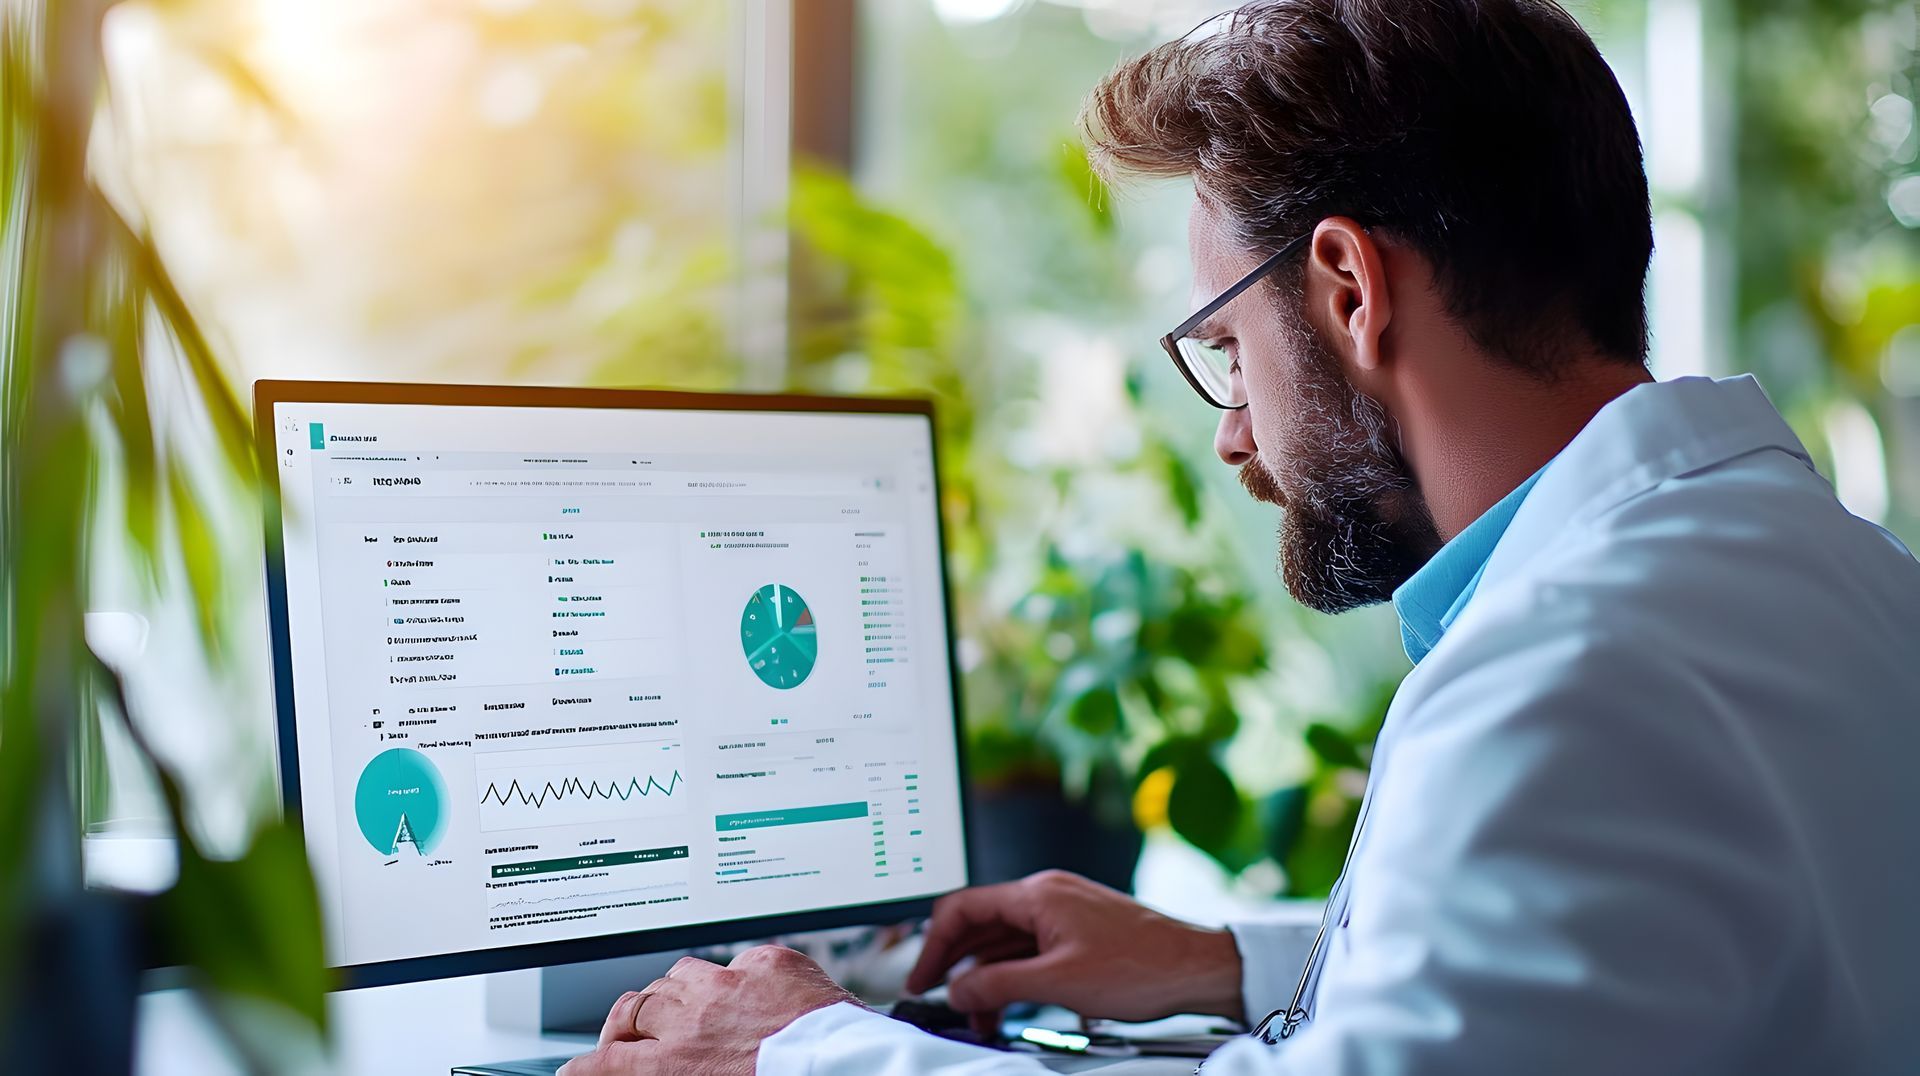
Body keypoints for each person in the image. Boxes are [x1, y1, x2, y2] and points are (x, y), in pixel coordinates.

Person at [559, 1, 1920, 1073]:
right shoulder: (1845, 581)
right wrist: (1228, 962)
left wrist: (801, 1049)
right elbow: (1613, 972)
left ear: (1347, 287)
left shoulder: (1569, 675)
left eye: (1226, 349)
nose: (1234, 435)